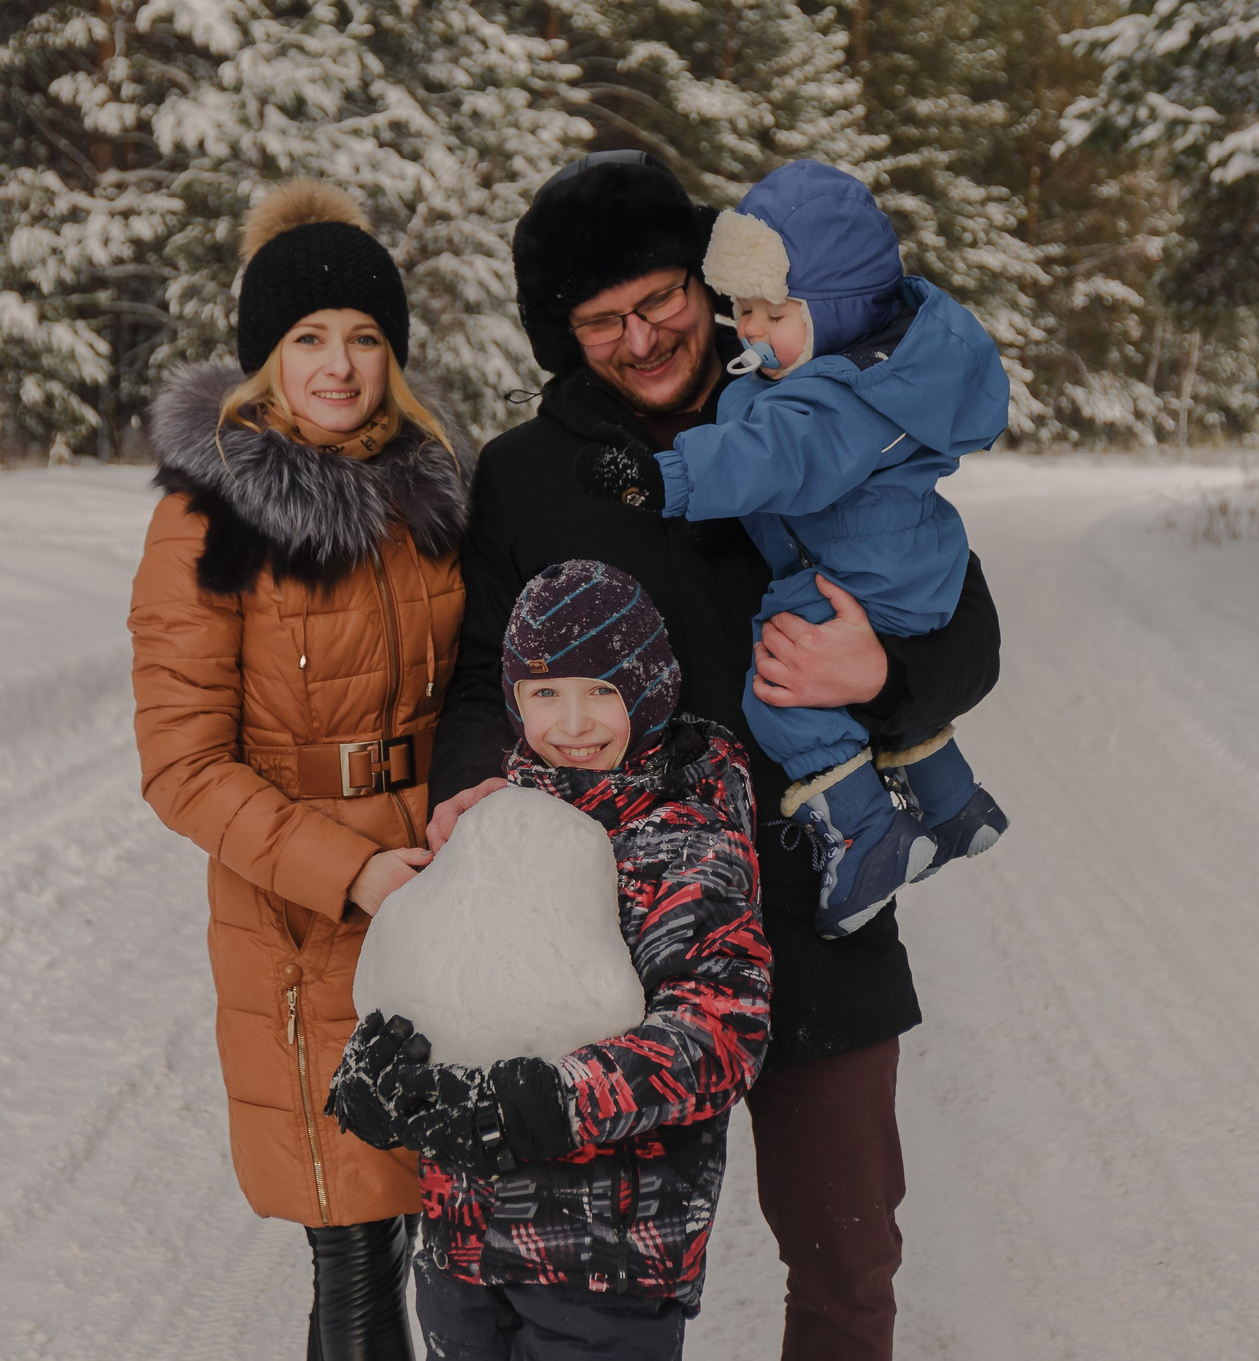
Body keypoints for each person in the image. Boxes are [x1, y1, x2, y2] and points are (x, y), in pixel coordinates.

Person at [427, 151, 1004, 1361]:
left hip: (811, 896)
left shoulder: (817, 405)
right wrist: (472, 790)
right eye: (602, 319)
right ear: (560, 331)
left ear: (706, 281)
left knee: (848, 1248)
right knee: (599, 1284)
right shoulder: (527, 476)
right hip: (610, 928)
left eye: (661, 300)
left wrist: (880, 680)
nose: (641, 337)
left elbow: (960, 617)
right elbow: (482, 672)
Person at [126, 179, 471, 1361]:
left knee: (436, 1222)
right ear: (266, 356)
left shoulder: (428, 498)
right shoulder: (210, 517)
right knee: (355, 1240)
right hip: (308, 916)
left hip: (441, 889)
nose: (340, 366)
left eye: (366, 339)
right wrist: (355, 870)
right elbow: (182, 766)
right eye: (309, 339)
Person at [326, 559, 771, 1361]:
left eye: (603, 690)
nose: (573, 722)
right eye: (545, 693)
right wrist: (378, 1072)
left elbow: (720, 1032)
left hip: (605, 1265)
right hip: (461, 1250)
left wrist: (547, 1101)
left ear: (650, 688)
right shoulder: (493, 822)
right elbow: (438, 981)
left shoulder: (682, 838)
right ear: (514, 700)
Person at [574, 160, 1012, 938]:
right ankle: (952, 801)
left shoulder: (829, 396)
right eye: (741, 309)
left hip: (860, 574)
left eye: (769, 313)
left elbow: (768, 457)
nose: (749, 331)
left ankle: (866, 831)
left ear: (834, 309)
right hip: (902, 563)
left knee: (778, 687)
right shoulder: (870, 375)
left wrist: (663, 479)